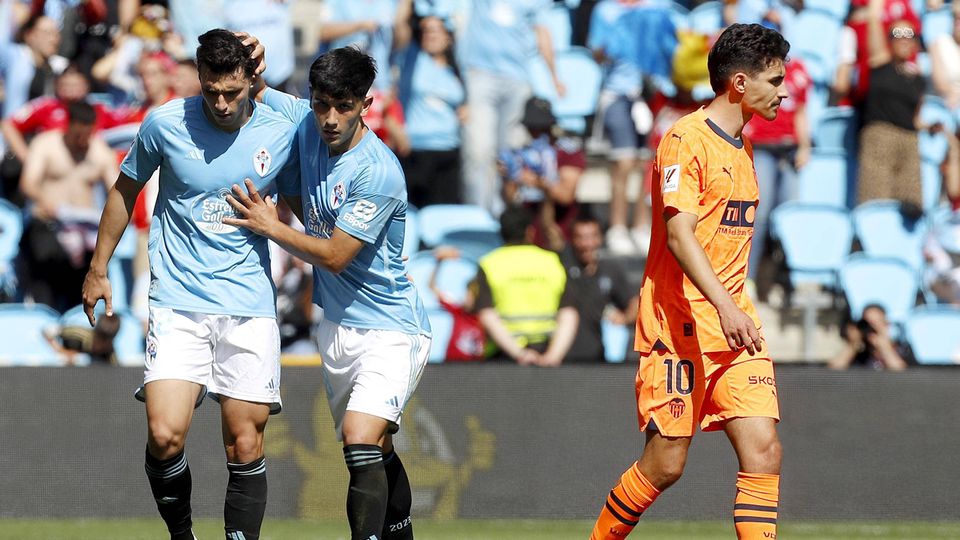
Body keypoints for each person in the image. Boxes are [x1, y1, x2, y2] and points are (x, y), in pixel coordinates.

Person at [80, 29, 300, 540]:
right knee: (164, 434)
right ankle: (183, 536)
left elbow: (339, 118)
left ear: (251, 79)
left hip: (248, 304)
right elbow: (124, 190)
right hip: (179, 300)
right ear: (197, 79)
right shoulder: (165, 123)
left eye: (232, 92)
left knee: (244, 444)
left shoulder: (281, 127)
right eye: (210, 91)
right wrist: (98, 267)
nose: (221, 104)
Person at [589, 23, 788, 539]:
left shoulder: (742, 148)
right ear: (740, 84)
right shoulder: (684, 139)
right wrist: (724, 305)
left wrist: (732, 309)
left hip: (735, 328)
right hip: (679, 328)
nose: (784, 91)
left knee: (764, 450)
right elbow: (680, 237)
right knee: (665, 465)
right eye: (775, 80)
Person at [225, 44, 431, 540]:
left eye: (343, 105)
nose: (330, 118)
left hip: (390, 327)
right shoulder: (306, 121)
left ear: (366, 104)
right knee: (374, 451)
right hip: (337, 326)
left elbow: (337, 255)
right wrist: (249, 60)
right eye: (322, 104)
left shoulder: (376, 170)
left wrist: (270, 226)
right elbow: (252, 90)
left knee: (359, 440)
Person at [18, 101, 118, 313]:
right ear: (69, 126)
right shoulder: (46, 144)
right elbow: (28, 183)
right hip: (48, 225)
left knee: (81, 291)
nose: (82, 141)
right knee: (45, 283)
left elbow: (117, 191)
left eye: (87, 136)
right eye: (78, 136)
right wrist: (48, 204)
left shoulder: (99, 152)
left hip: (83, 233)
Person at [470, 204, 578, 366]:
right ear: (530, 231)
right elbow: (568, 314)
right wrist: (553, 355)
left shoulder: (489, 263)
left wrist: (520, 354)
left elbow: (487, 315)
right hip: (546, 356)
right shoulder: (552, 261)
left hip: (503, 358)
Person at [856, 0, 927, 213]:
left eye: (910, 35)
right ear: (889, 39)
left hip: (909, 140)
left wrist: (931, 127)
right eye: (898, 35)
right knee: (876, 200)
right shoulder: (880, 62)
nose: (904, 40)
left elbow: (915, 116)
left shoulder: (918, 79)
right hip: (880, 136)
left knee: (911, 205)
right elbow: (874, 21)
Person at [563, 213, 638, 363]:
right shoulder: (562, 268)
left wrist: (624, 318)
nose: (587, 244)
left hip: (599, 359)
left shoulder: (610, 270)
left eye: (592, 236)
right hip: (563, 356)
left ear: (600, 238)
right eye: (581, 237)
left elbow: (635, 302)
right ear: (572, 239)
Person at [828, 303, 914, 370]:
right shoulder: (859, 355)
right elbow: (831, 373)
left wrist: (885, 349)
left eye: (876, 323)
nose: (871, 329)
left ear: (886, 325)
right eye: (868, 324)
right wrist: (853, 344)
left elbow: (905, 376)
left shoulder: (902, 349)